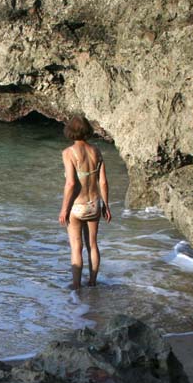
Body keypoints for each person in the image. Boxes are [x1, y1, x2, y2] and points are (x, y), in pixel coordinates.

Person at [58, 116, 111, 290]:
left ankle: (76, 285)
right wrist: (106, 205)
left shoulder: (68, 153)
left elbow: (71, 183)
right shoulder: (96, 151)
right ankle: (93, 281)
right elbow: (103, 182)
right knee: (93, 245)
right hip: (95, 204)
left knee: (76, 247)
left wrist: (64, 209)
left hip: (77, 206)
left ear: (70, 131)